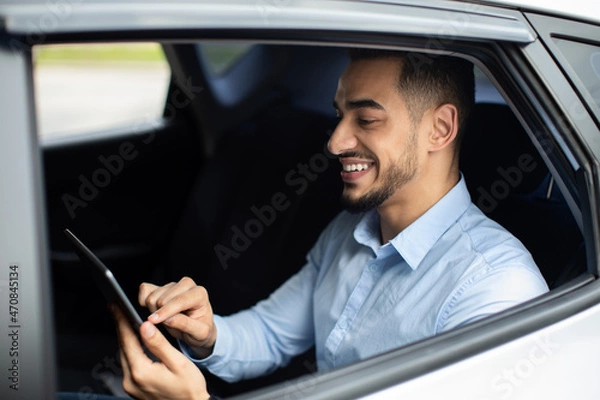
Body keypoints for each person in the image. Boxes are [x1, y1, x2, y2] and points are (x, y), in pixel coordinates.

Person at [113, 49, 549, 399]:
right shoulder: (348, 231)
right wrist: (206, 332)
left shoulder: (494, 291)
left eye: (366, 119)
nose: (336, 141)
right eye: (339, 114)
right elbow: (269, 334)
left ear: (439, 129)